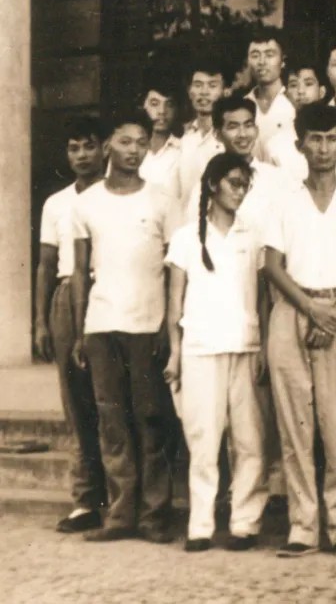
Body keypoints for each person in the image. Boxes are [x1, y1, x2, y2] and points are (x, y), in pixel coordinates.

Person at [70, 110, 179, 544]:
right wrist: (81, 329)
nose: (134, 150)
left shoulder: (162, 201)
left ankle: (154, 515)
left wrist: (169, 326)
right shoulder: (86, 203)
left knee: (151, 420)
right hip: (102, 324)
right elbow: (80, 272)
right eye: (125, 141)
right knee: (112, 422)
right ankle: (119, 515)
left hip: (148, 324)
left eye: (141, 142)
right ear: (108, 146)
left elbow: (175, 270)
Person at [263, 103, 336, 557]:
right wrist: (309, 309)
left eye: (331, 139)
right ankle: (302, 525)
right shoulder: (284, 200)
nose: (323, 148)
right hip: (292, 308)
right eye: (315, 140)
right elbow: (272, 265)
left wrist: (335, 313)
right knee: (295, 422)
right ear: (300, 145)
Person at [165, 153, 269, 553]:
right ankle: (201, 525)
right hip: (200, 348)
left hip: (245, 346)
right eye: (233, 183)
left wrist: (262, 346)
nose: (240, 192)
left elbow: (262, 298)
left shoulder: (253, 235)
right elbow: (175, 304)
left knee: (249, 440)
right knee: (203, 440)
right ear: (212, 185)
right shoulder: (185, 238)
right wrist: (175, 354)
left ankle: (245, 523)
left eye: (245, 185)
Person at [34, 116, 108, 534]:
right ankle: (85, 500)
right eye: (74, 148)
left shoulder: (118, 194)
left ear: (105, 149)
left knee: (111, 398)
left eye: (89, 146)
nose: (82, 155)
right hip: (67, 294)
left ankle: (122, 497)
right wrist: (40, 322)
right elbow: (46, 265)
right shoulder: (56, 203)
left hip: (108, 290)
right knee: (76, 402)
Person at [184, 93, 289, 227]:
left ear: (256, 130)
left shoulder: (278, 179)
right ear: (217, 134)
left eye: (248, 125)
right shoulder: (208, 185)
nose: (243, 134)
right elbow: (194, 231)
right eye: (233, 127)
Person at [177, 54, 227, 207]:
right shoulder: (182, 138)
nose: (204, 92)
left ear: (225, 91)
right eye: (198, 85)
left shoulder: (229, 138)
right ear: (189, 91)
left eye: (212, 85)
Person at [266, 59, 327, 183]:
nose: (300, 91)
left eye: (308, 84)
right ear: (286, 94)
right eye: (293, 85)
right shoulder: (276, 145)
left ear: (322, 91)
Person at [246, 30, 295, 162]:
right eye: (255, 55)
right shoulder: (243, 104)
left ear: (283, 61)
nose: (261, 62)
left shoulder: (294, 103)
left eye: (269, 55)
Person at [139, 77, 182, 198]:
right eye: (155, 104)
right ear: (144, 105)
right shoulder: (129, 149)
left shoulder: (183, 150)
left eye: (169, 105)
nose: (162, 111)